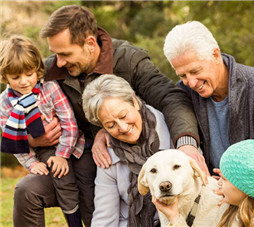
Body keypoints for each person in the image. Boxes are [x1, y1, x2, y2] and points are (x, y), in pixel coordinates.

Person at [13, 5, 205, 227]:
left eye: (65, 54)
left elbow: (171, 99)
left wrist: (186, 143)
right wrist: (31, 139)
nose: (59, 62)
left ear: (90, 44)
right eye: (55, 54)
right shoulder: (50, 71)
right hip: (73, 162)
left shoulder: (128, 61)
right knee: (27, 191)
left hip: (125, 158)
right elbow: (11, 108)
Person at [163, 21, 254, 172]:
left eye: (195, 71)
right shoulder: (183, 93)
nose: (191, 83)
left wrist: (240, 189)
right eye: (183, 75)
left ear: (215, 55)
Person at [0, 35, 84, 226]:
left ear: (37, 69)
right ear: (5, 77)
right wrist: (31, 163)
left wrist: (63, 154)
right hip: (44, 153)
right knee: (62, 177)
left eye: (29, 74)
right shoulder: (5, 104)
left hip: (73, 144)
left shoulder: (49, 87)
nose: (24, 82)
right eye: (15, 77)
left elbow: (69, 121)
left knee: (84, 184)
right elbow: (14, 140)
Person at [82, 74, 173, 226]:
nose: (123, 128)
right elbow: (105, 218)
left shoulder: (173, 130)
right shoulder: (108, 155)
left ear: (134, 102)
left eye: (123, 115)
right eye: (111, 125)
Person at [153, 139, 254, 227]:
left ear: (242, 186)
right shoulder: (234, 213)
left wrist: (176, 220)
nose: (218, 183)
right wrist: (175, 217)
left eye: (224, 179)